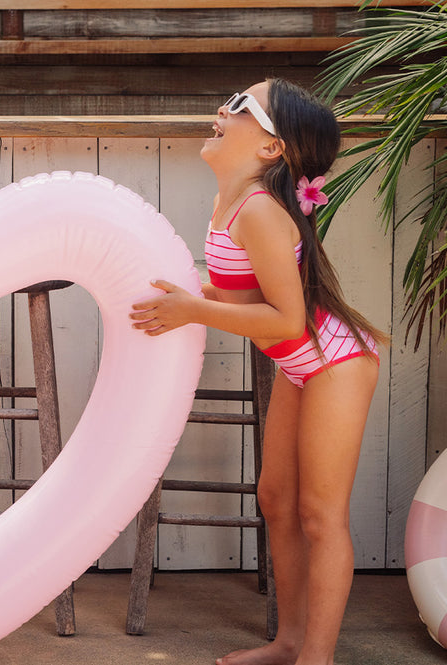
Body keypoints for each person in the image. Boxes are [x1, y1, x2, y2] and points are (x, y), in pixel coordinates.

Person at [129, 79, 387, 665]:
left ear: (272, 148)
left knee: (321, 514)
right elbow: (250, 296)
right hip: (303, 363)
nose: (222, 109)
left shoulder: (262, 213)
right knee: (275, 497)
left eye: (241, 106)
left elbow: (286, 318)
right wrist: (192, 291)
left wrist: (193, 308)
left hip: (335, 363)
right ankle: (289, 641)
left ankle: (313, 658)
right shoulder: (233, 206)